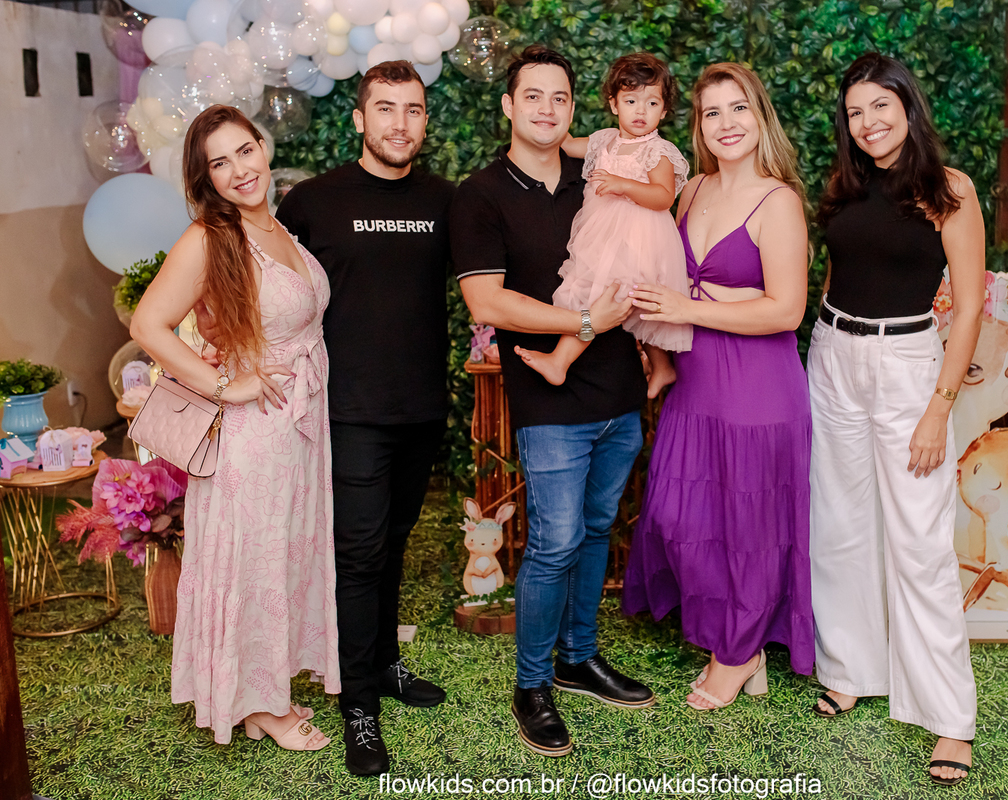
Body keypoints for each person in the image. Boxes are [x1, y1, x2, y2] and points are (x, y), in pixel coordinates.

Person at [450, 44, 656, 758]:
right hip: (547, 395)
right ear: (508, 106)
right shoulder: (480, 195)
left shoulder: (600, 173)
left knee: (597, 529)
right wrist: (586, 322)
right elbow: (487, 301)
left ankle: (578, 658)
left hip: (619, 390)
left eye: (560, 97)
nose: (547, 108)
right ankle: (532, 684)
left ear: (575, 109)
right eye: (532, 96)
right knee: (555, 540)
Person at [130, 105, 338, 751]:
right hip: (256, 430)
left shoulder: (275, 224)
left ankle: (260, 690)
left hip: (299, 420)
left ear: (262, 147)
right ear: (207, 178)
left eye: (245, 150)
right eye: (219, 163)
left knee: (283, 553)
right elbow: (147, 324)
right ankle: (263, 705)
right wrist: (224, 384)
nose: (240, 169)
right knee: (256, 559)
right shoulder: (210, 237)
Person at [808, 52, 984, 787]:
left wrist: (939, 407)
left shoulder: (949, 190)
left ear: (908, 107)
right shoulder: (843, 185)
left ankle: (950, 718)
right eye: (855, 112)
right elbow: (836, 275)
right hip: (832, 354)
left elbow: (968, 308)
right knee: (840, 524)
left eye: (880, 105)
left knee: (919, 542)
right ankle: (850, 669)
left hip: (910, 365)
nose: (868, 122)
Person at [274, 60, 454, 777]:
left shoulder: (445, 200)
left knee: (396, 542)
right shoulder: (312, 203)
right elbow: (264, 286)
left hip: (422, 406)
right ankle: (357, 707)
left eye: (413, 110)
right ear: (359, 118)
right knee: (358, 555)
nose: (399, 123)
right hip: (347, 411)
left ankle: (383, 662)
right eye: (385, 108)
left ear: (425, 121)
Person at [622, 63, 813, 710]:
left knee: (750, 529)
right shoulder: (693, 189)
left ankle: (738, 652)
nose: (726, 123)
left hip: (758, 386)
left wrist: (687, 308)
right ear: (698, 127)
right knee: (681, 517)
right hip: (695, 380)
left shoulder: (778, 201)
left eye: (738, 109)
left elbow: (786, 310)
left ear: (760, 117)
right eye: (711, 113)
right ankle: (733, 637)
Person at [517, 52, 691, 398]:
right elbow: (567, 144)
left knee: (605, 297)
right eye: (631, 101)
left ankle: (560, 361)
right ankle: (663, 367)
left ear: (664, 111)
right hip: (603, 237)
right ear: (614, 104)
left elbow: (663, 197)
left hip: (639, 240)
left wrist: (624, 184)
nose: (641, 111)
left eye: (652, 103)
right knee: (626, 303)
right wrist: (554, 116)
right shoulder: (604, 141)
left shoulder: (657, 151)